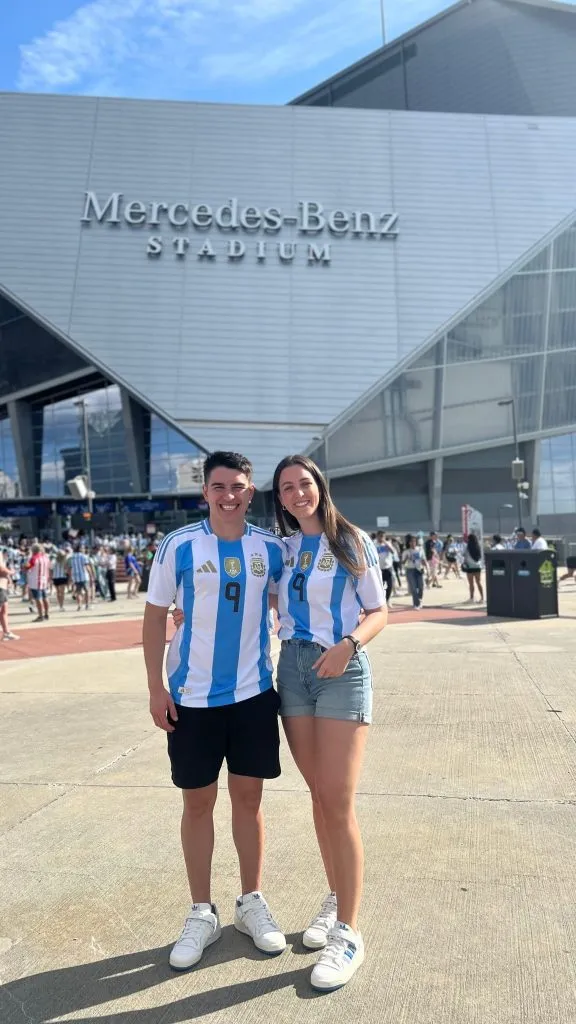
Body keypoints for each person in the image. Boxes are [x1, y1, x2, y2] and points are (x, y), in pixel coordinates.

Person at [144, 451, 287, 973]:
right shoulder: (179, 545)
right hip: (192, 700)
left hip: (253, 696)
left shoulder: (271, 548)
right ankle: (201, 911)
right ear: (205, 492)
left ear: (251, 492)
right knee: (198, 803)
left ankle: (251, 902)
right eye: (220, 487)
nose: (230, 496)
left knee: (249, 800)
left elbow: (293, 599)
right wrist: (156, 688)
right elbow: (153, 617)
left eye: (239, 487)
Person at [271, 455, 387, 992]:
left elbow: (379, 611)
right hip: (293, 671)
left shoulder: (351, 540)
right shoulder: (283, 549)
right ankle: (338, 895)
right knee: (319, 796)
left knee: (338, 801)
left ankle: (349, 932)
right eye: (287, 488)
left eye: (305, 483)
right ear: (279, 498)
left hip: (340, 668)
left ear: (320, 486)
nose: (298, 494)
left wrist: (349, 644)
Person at [27, 543, 51, 622]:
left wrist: (24, 566)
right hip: (44, 579)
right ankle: (46, 614)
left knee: (38, 599)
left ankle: (41, 616)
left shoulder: (34, 558)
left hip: (35, 581)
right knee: (45, 597)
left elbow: (27, 567)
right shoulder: (45, 558)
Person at [403, 534, 426, 608]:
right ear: (409, 543)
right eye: (411, 542)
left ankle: (419, 599)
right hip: (410, 570)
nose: (413, 543)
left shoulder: (420, 549)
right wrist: (406, 559)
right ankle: (416, 604)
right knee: (413, 588)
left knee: (421, 586)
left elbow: (423, 559)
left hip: (419, 569)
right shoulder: (406, 551)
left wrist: (426, 568)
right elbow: (403, 563)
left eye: (414, 541)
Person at [0, 551, 18, 640]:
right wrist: (11, 572)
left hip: (3, 586)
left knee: (4, 610)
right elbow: (1, 569)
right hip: (0, 586)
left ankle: (6, 632)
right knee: (3, 610)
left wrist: (8, 577)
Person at [462, 532, 484, 603]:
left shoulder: (467, 547)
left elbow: (463, 554)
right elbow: (480, 556)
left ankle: (472, 598)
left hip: (470, 567)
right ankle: (482, 598)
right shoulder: (478, 546)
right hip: (477, 566)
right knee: (478, 582)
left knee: (471, 583)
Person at [68, 544, 91, 611]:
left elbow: (70, 568)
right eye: (83, 548)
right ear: (80, 549)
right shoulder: (84, 556)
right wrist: (91, 574)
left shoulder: (72, 557)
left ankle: (79, 605)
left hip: (76, 577)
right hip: (84, 576)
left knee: (78, 592)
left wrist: (70, 577)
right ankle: (87, 605)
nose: (84, 549)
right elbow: (87, 566)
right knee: (87, 591)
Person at [375, 530, 395, 604]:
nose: (381, 538)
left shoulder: (387, 544)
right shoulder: (374, 544)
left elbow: (393, 551)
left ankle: (387, 600)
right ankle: (381, 601)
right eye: (380, 536)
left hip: (388, 567)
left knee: (390, 585)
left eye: (383, 536)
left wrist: (386, 543)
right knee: (380, 586)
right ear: (377, 536)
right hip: (379, 568)